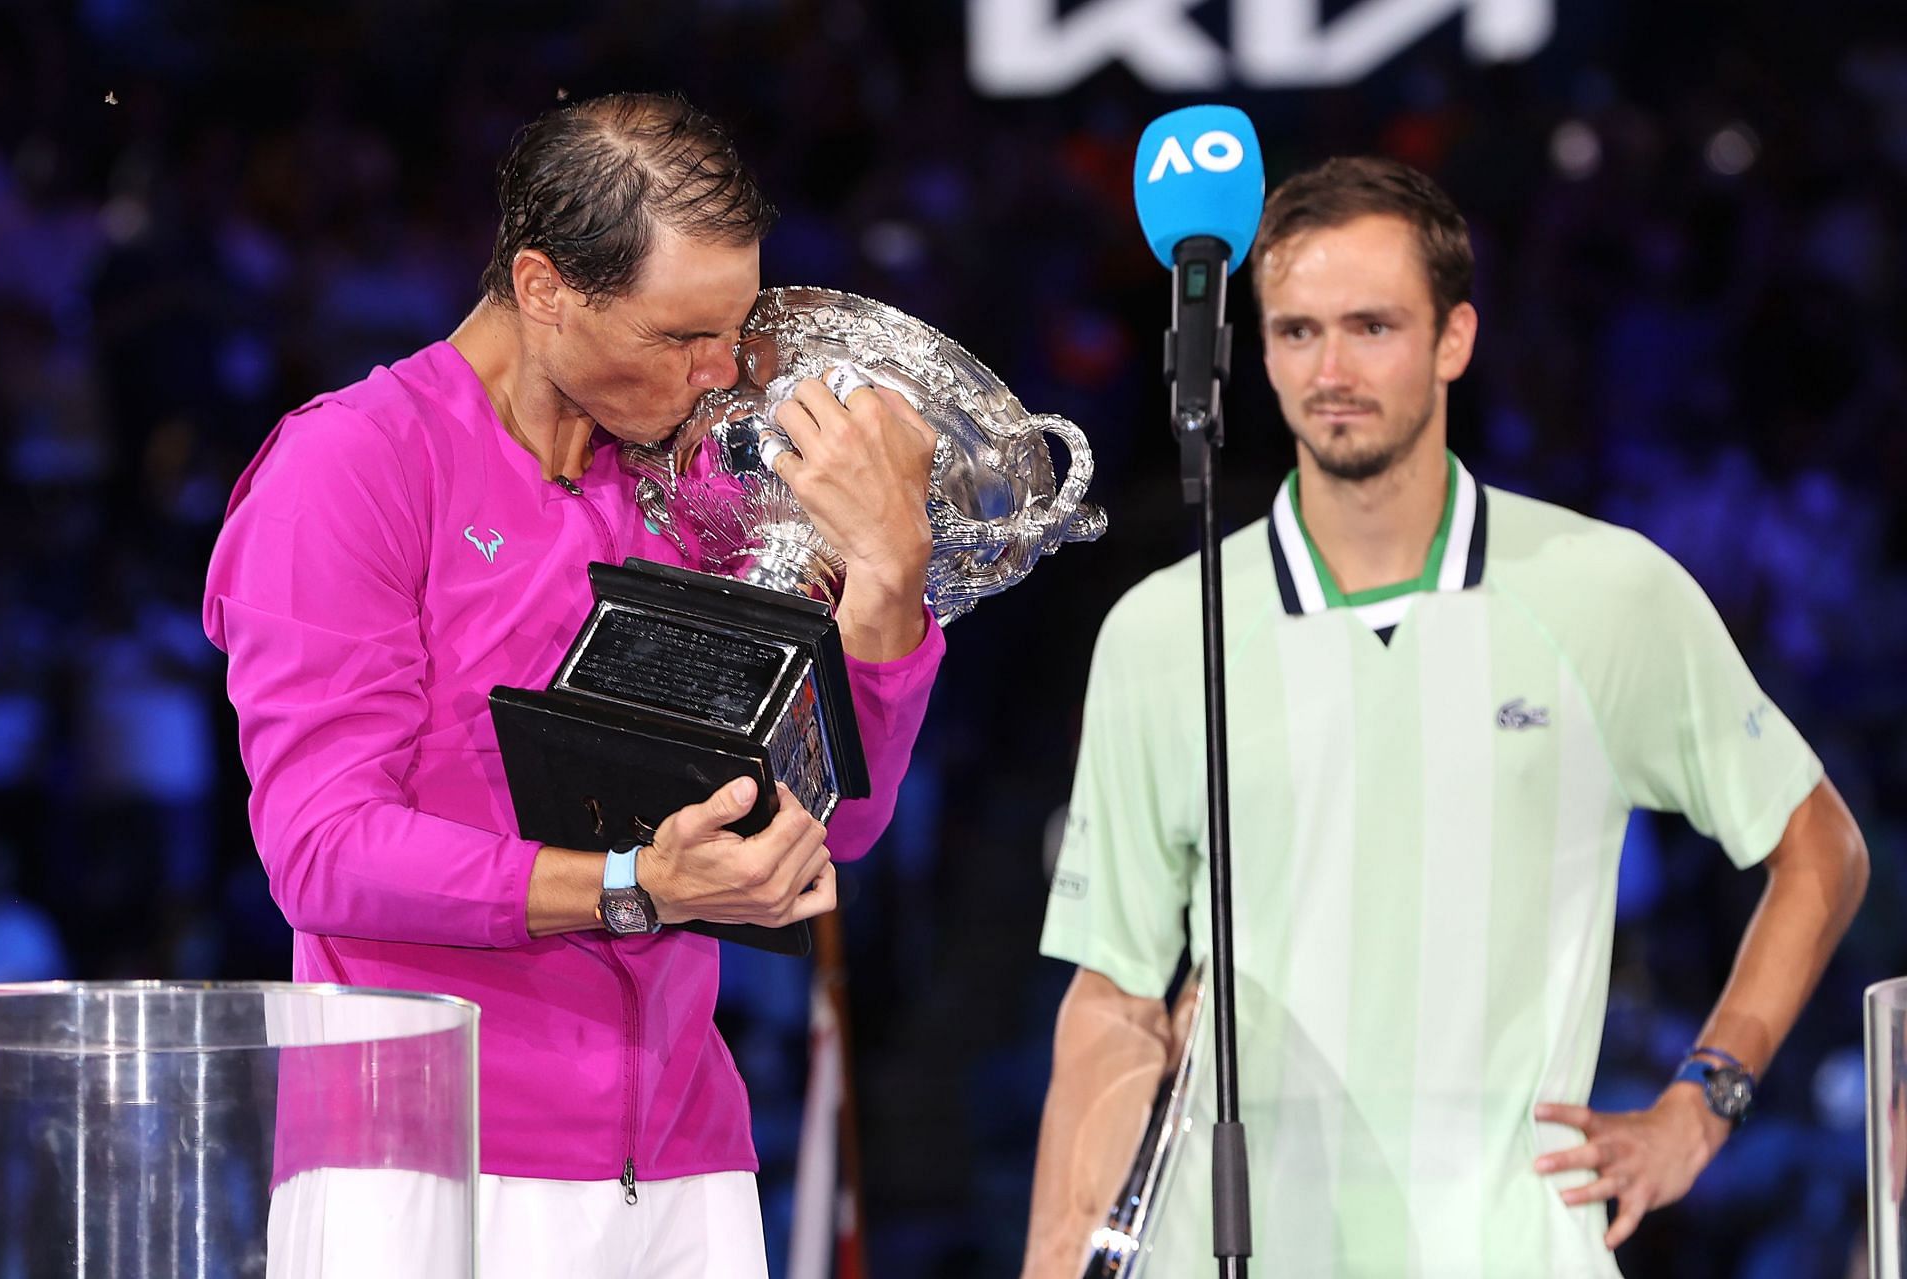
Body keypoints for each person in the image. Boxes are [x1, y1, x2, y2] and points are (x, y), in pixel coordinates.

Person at [1020, 156, 1868, 1278]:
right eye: (1297, 330)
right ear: (1257, 350)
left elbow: (1822, 849)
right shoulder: (1162, 632)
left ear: (1454, 339)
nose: (1332, 368)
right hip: (1229, 1252)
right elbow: (1113, 998)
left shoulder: (1607, 592)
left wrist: (1704, 1102)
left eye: (1373, 326)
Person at [202, 91, 943, 1276]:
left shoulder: (690, 493)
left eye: (733, 332)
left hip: (688, 1165)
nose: (717, 376)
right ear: (542, 288)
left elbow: (834, 821)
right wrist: (629, 885)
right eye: (676, 337)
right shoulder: (353, 464)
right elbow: (322, 846)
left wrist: (889, 582)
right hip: (421, 1161)